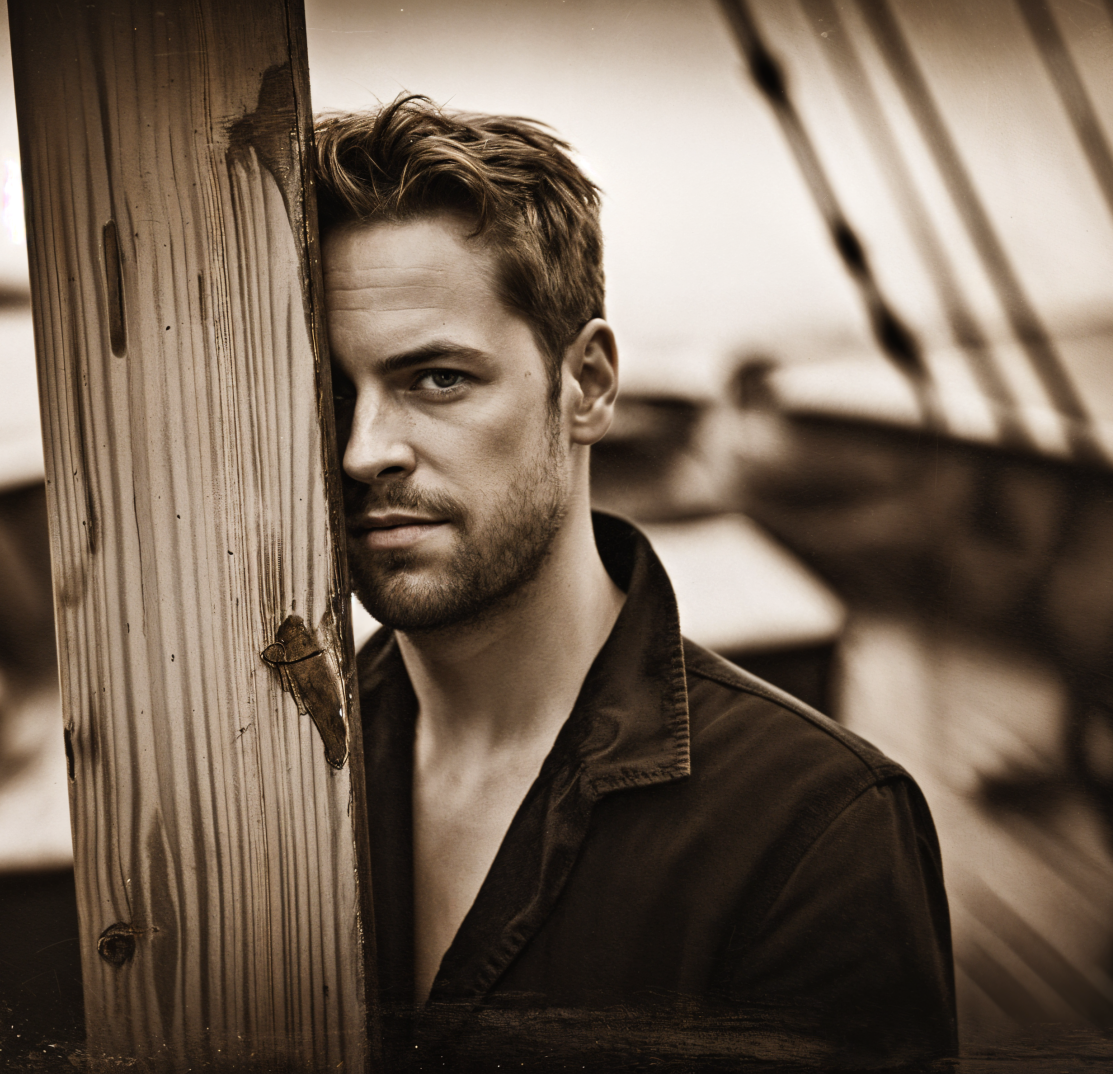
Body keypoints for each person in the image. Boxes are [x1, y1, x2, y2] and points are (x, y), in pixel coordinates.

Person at [313, 95, 958, 1070]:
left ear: (588, 384)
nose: (364, 452)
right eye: (333, 392)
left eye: (438, 379)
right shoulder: (288, 771)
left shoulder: (816, 830)